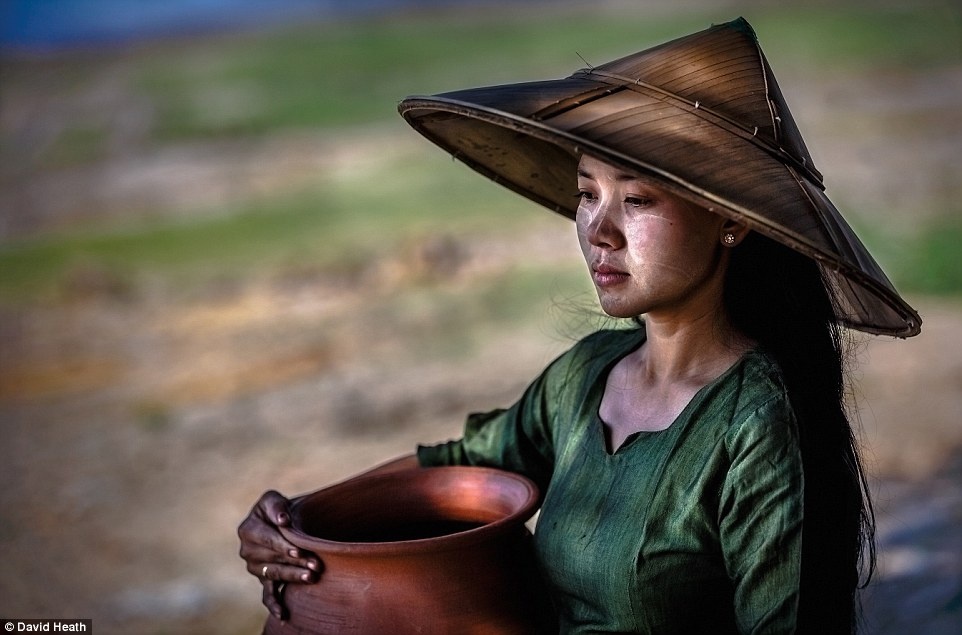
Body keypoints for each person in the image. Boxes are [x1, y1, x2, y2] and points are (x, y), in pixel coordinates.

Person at [238, 17, 921, 633]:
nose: (600, 231)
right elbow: (459, 469)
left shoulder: (760, 427)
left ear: (732, 219)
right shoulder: (586, 373)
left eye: (637, 198)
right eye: (587, 193)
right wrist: (295, 524)